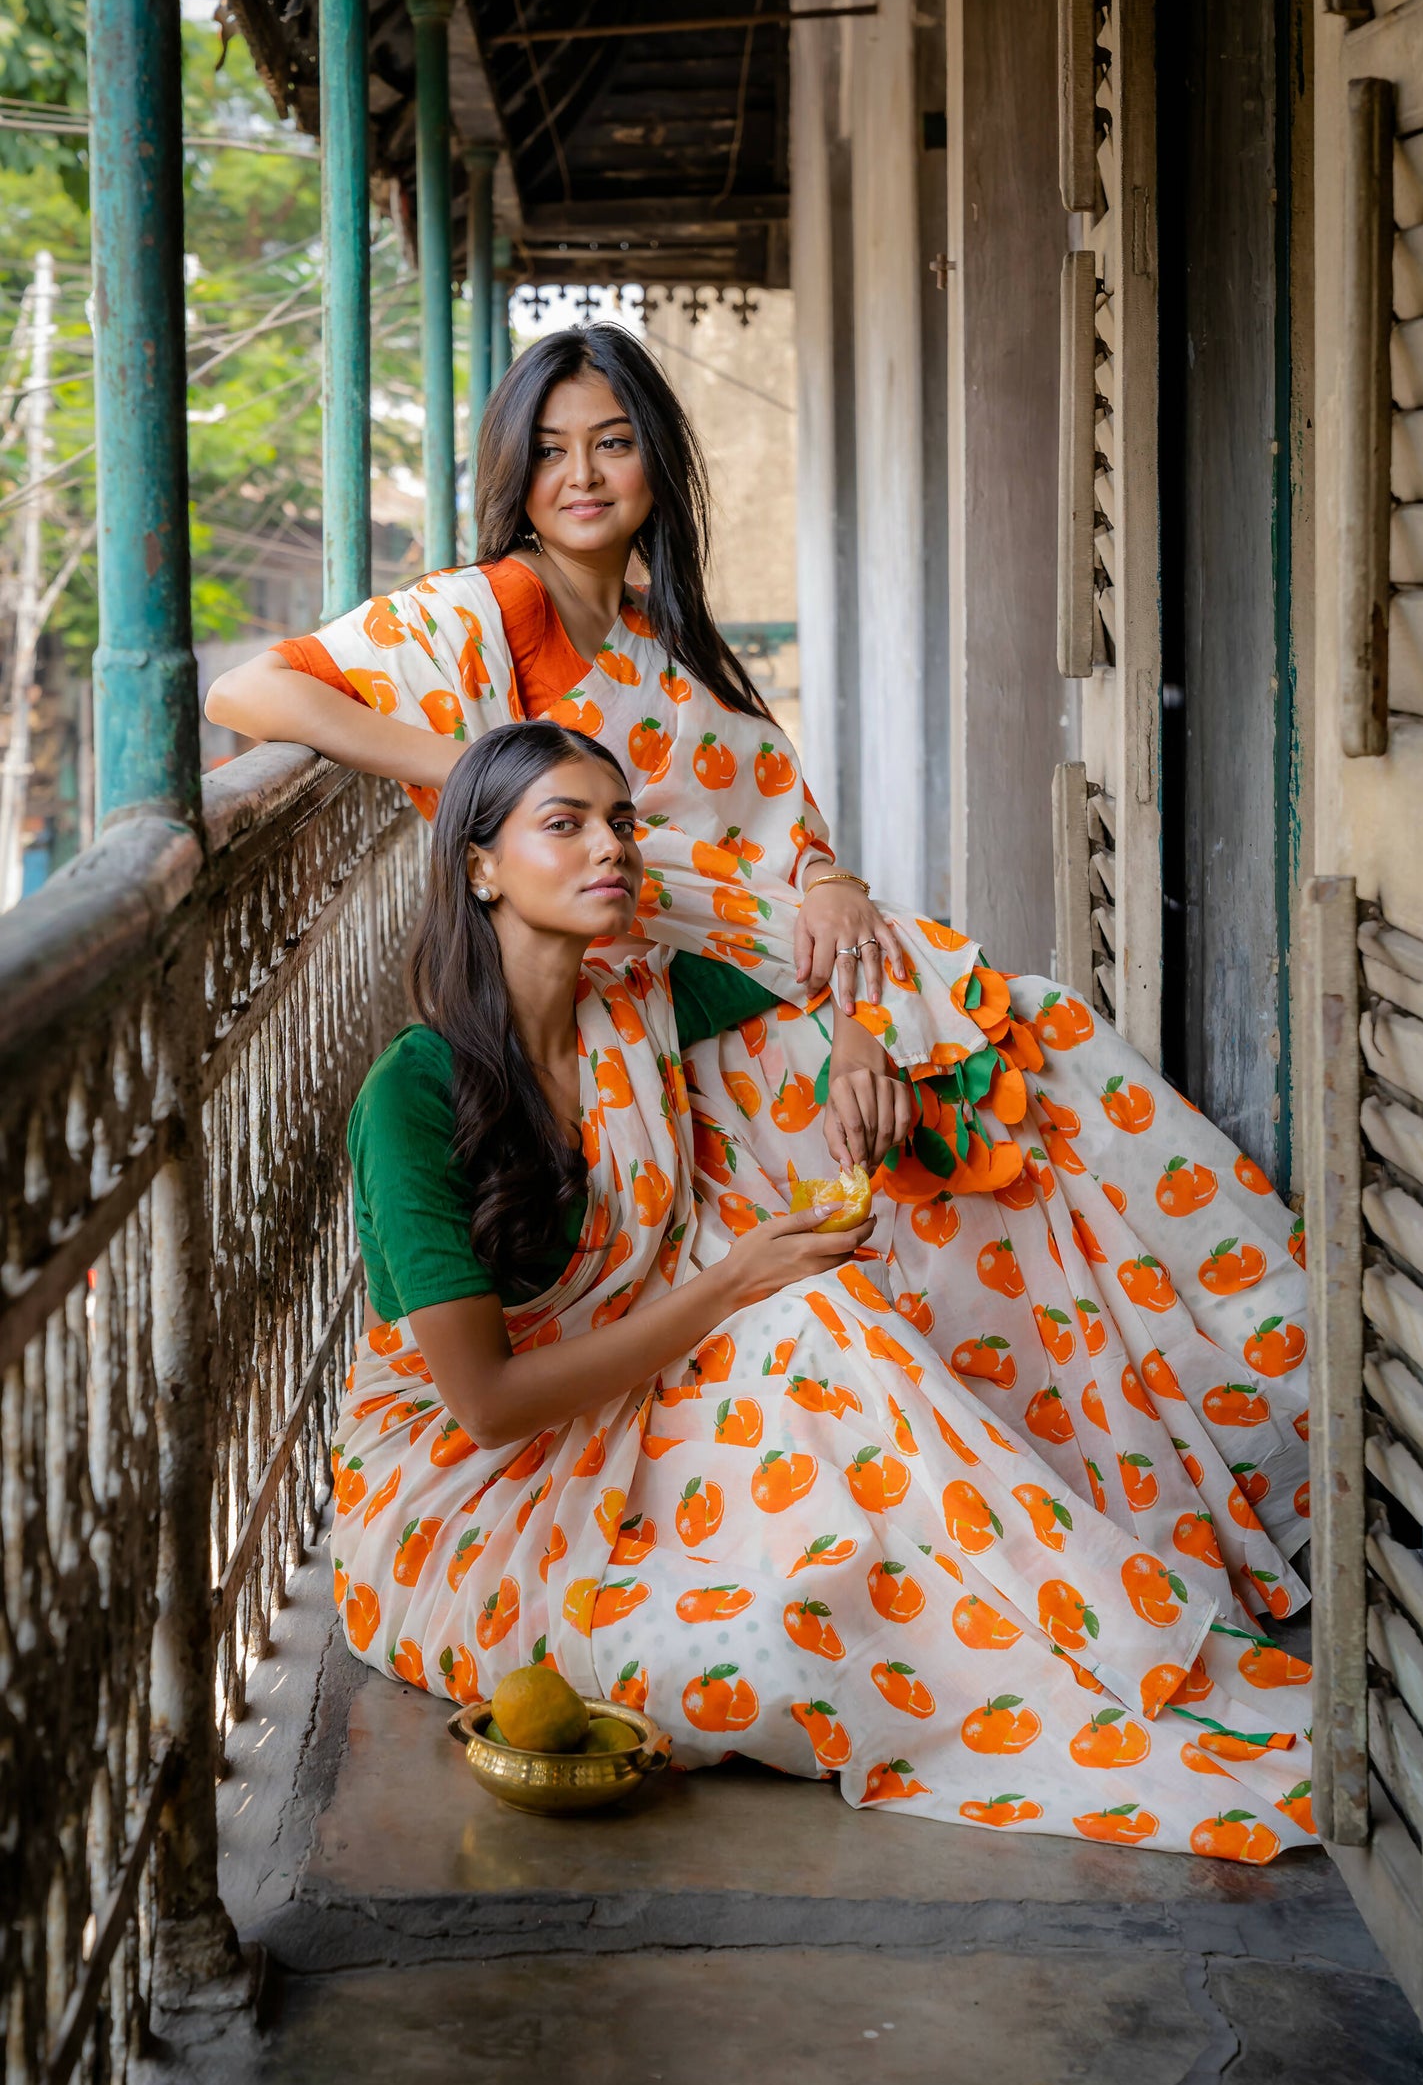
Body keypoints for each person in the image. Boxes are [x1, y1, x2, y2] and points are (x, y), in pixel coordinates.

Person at [208, 322, 1312, 1642]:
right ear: (513, 472)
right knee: (914, 1242)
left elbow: (781, 844)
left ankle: (1225, 1455)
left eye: (612, 444)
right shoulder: (480, 614)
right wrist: (467, 767)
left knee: (1040, 1114)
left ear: (657, 468)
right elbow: (251, 693)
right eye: (551, 450)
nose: (582, 475)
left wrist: (840, 931)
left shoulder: (665, 646)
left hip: (752, 1009)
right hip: (670, 1049)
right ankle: (1116, 1531)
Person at [333, 719, 1314, 1859]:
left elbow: (865, 964)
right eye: (565, 825)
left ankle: (1107, 1636)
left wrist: (857, 1050)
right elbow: (486, 1405)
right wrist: (739, 1278)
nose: (611, 848)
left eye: (620, 822)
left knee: (831, 1314)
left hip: (631, 1410)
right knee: (768, 1653)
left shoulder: (635, 1002)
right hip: (465, 1496)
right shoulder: (412, 1096)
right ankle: (1055, 1661)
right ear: (479, 865)